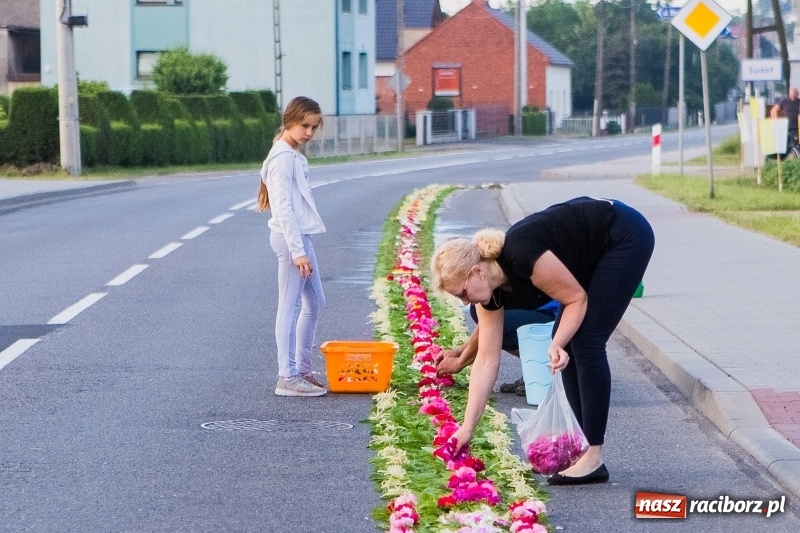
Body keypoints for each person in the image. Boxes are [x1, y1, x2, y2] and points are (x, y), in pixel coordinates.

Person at [431, 196, 654, 485]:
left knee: (585, 341)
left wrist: (557, 342)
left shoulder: (523, 255)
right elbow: (486, 359)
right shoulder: (490, 293)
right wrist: (467, 428)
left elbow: (576, 299)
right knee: (572, 343)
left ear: (476, 272)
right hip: (588, 251)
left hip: (622, 234)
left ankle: (593, 456)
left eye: (461, 293)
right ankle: (577, 446)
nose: (463, 302)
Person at [258, 96, 328, 397]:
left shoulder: (292, 154)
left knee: (316, 304)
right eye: (304, 125)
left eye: (314, 127)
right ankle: (286, 377)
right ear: (289, 121)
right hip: (290, 242)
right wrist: (297, 250)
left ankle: (302, 369)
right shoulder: (283, 157)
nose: (309, 133)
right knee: (289, 306)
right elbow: (283, 208)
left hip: (300, 238)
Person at [436, 303, 558, 398]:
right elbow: (487, 324)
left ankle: (544, 369)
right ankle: (533, 370)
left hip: (557, 317)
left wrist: (459, 363)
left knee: (497, 320)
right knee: (480, 309)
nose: (463, 301)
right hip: (541, 309)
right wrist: (458, 352)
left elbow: (492, 325)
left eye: (462, 293)